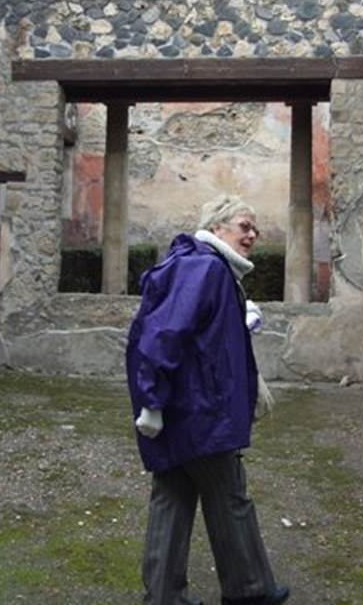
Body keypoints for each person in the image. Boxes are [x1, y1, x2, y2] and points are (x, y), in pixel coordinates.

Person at [126, 195, 290, 605]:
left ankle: (163, 597)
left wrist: (239, 318)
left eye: (255, 228)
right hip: (201, 412)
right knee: (230, 497)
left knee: (173, 496)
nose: (252, 234)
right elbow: (164, 334)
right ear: (217, 228)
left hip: (181, 409)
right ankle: (250, 591)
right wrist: (151, 399)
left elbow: (196, 332)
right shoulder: (207, 269)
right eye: (243, 226)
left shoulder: (203, 267)